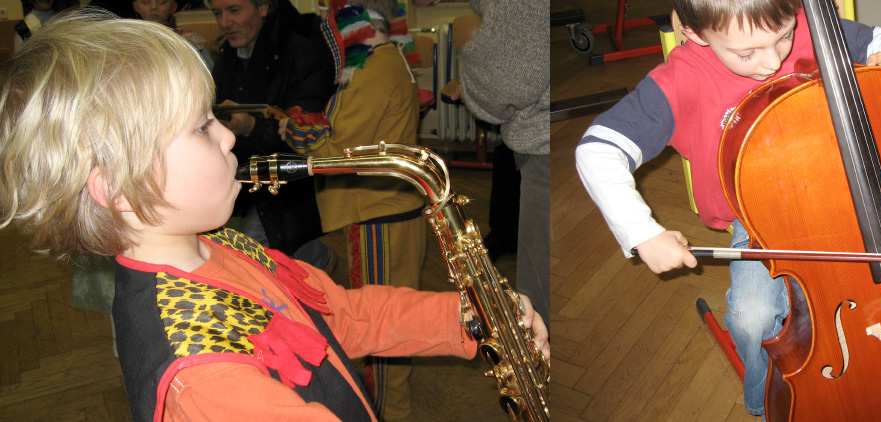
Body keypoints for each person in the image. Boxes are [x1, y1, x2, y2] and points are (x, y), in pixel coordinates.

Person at [0, 10, 548, 421]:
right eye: (198, 127)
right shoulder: (208, 378)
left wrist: (474, 315)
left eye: (214, 116)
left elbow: (340, 318)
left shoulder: (221, 247)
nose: (224, 135)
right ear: (118, 187)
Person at [575, 0, 881, 417]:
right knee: (752, 315)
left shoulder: (811, 27)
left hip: (856, 194)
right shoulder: (682, 77)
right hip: (763, 218)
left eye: (783, 36)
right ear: (697, 34)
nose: (774, 61)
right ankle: (764, 397)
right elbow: (597, 151)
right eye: (746, 53)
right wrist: (641, 231)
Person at [280, 0, 424, 419]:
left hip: (378, 213)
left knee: (378, 329)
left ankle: (384, 413)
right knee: (392, 319)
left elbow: (336, 151)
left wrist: (293, 131)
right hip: (391, 206)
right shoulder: (389, 60)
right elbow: (353, 130)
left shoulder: (371, 70)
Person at [210, 0, 336, 271]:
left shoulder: (302, 54)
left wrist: (251, 128)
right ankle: (312, 256)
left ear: (263, 8)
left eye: (234, 11)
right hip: (248, 181)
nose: (223, 23)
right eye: (217, 13)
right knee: (232, 252)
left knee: (251, 262)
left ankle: (313, 257)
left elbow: (309, 140)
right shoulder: (226, 55)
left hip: (290, 185)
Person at [457, 0, 551, 317]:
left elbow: (499, 89)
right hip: (543, 136)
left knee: (539, 309)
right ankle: (503, 235)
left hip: (546, 146)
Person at [133, 0, 215, 69]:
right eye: (146, 2)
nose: (154, 7)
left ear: (173, 7)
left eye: (162, 2)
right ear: (136, 7)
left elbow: (209, 73)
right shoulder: (130, 41)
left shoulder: (189, 40)